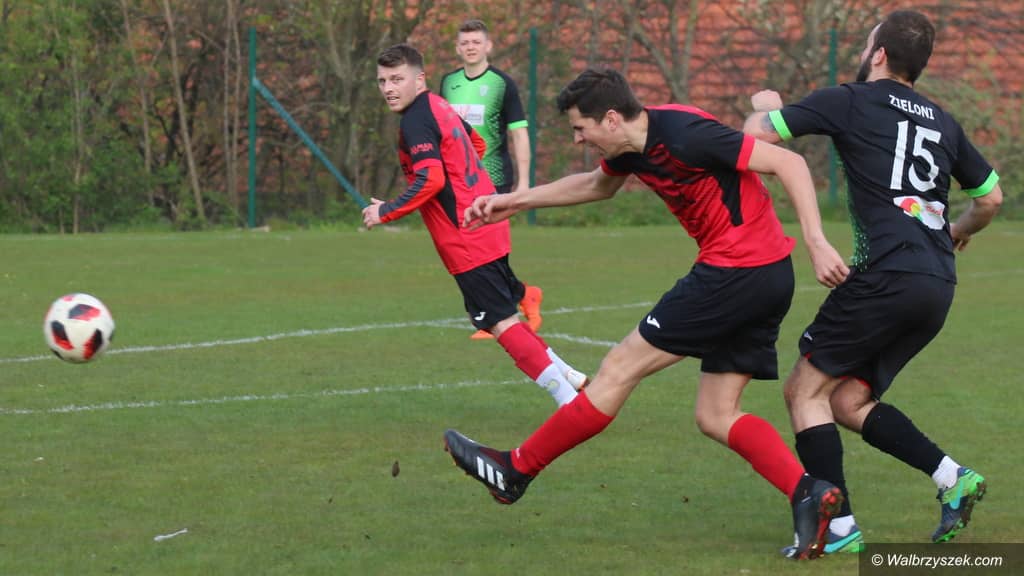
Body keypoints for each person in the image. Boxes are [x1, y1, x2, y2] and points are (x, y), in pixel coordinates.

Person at [443, 66, 852, 560]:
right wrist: (512, 201)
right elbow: (595, 185)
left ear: (611, 119)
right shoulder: (630, 149)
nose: (578, 139)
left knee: (618, 368)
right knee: (716, 414)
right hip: (764, 276)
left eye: (581, 128)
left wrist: (817, 242)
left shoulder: (685, 132)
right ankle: (808, 493)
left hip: (735, 271)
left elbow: (789, 163)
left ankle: (516, 469)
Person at [742, 9, 1002, 552]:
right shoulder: (943, 121)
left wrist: (765, 105)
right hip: (937, 283)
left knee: (803, 391)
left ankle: (840, 529)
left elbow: (757, 139)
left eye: (866, 44)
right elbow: (991, 199)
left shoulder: (850, 99)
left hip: (887, 274)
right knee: (847, 401)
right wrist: (955, 230)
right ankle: (953, 478)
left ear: (879, 54)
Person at [365, 43, 586, 406]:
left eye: (397, 79)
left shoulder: (415, 120)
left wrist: (386, 211)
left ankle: (568, 402)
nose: (389, 88)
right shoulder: (439, 105)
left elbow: (431, 179)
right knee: (507, 316)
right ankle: (569, 375)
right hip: (487, 219)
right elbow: (476, 144)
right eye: (382, 81)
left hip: (465, 236)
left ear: (419, 80)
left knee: (501, 324)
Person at [440, 19, 542, 340]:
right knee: (464, 249)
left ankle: (498, 315)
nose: (470, 47)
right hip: (458, 179)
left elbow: (519, 133)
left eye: (476, 42)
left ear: (488, 46)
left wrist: (523, 185)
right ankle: (522, 295)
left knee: (490, 249)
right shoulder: (448, 83)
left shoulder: (502, 84)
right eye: (465, 42)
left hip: (492, 177)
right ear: (457, 48)